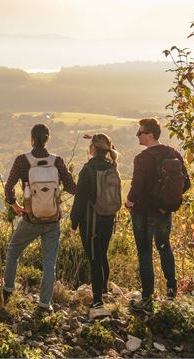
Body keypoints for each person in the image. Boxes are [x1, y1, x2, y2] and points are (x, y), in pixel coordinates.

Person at [2, 123, 77, 312]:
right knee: (49, 263)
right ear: (47, 139)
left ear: (32, 139)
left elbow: (8, 187)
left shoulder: (22, 160)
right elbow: (72, 188)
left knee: (12, 252)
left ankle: (7, 291)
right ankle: (45, 304)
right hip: (53, 221)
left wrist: (15, 205)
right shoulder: (57, 161)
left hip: (30, 219)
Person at [125, 117, 190, 312]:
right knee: (164, 247)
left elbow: (136, 188)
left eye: (140, 132)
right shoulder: (173, 153)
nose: (137, 135)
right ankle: (171, 292)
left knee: (144, 253)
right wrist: (166, 205)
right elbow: (186, 183)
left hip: (143, 213)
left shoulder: (142, 158)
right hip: (163, 213)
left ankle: (147, 299)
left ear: (150, 135)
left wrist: (129, 202)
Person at [71, 133, 121, 319]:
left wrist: (74, 223)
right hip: (108, 219)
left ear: (93, 148)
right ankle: (104, 292)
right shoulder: (112, 167)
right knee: (102, 254)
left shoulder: (88, 169)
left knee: (94, 259)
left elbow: (80, 199)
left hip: (90, 221)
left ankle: (98, 300)